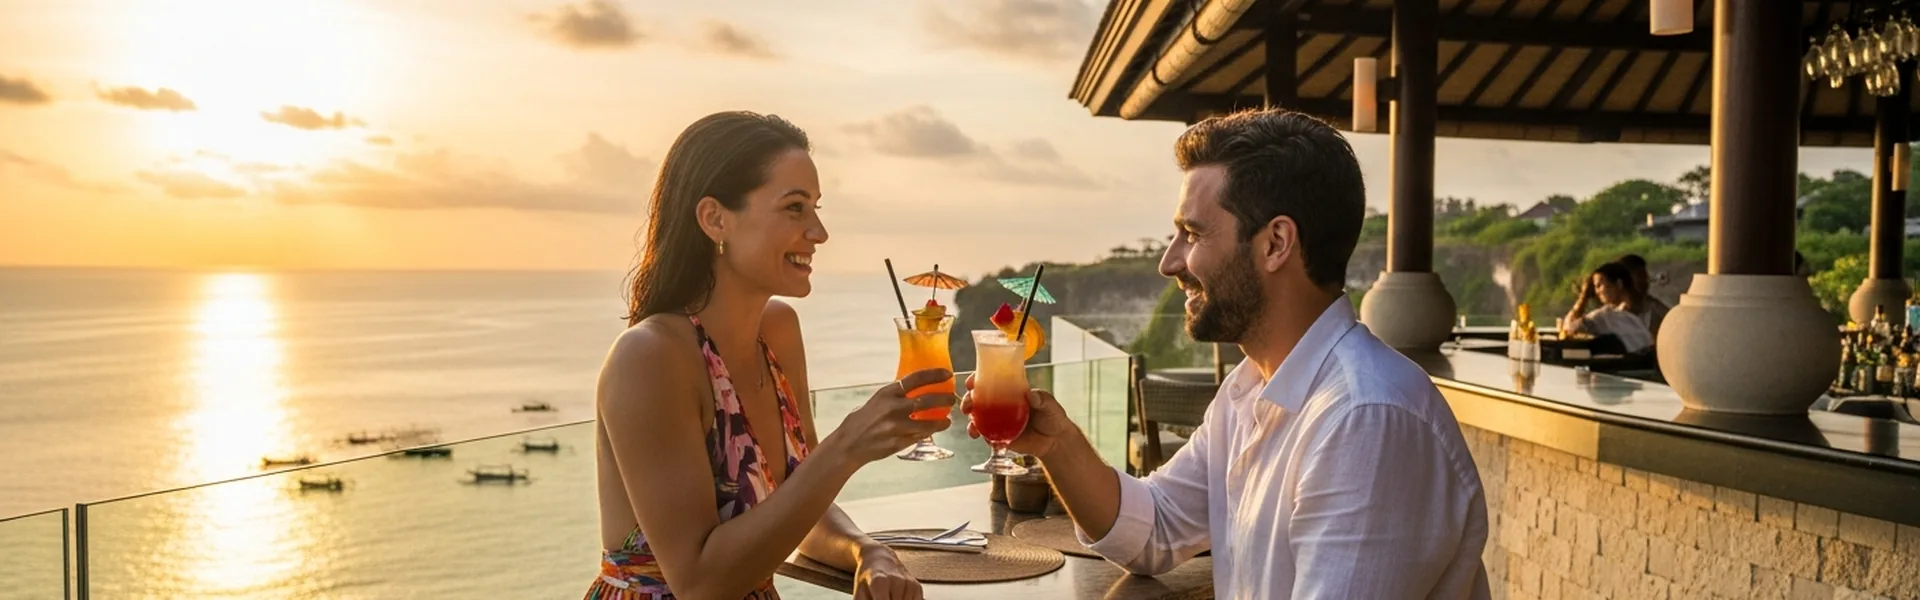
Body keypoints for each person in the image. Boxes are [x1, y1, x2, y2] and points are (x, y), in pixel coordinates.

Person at [966, 108, 1490, 598]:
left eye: (1192, 233)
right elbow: (1154, 530)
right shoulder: (1249, 390)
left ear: (1275, 243)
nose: (1170, 263)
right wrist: (1057, 445)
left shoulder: (1365, 419)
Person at [591, 111, 949, 600]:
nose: (819, 232)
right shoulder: (651, 358)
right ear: (715, 218)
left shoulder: (777, 331)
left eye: (816, 208)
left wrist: (867, 551)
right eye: (795, 208)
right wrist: (846, 447)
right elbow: (699, 584)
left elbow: (799, 508)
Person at [1563, 262, 1655, 354]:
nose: (1597, 291)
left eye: (1599, 285)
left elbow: (1569, 328)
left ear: (1619, 284)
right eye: (1595, 287)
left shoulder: (1606, 316)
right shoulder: (1641, 315)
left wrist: (1583, 297)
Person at [1614, 253, 1670, 336]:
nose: (1646, 281)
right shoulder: (1610, 313)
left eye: (1645, 276)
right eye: (1640, 276)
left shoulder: (1654, 308)